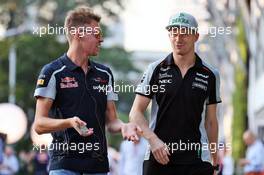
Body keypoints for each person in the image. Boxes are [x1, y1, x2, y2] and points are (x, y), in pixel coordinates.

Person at [33, 6, 141, 175]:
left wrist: (123, 127)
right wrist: (69, 122)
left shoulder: (105, 74)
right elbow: (39, 124)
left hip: (98, 167)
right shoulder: (52, 72)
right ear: (79, 34)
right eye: (96, 34)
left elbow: (112, 121)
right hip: (64, 166)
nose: (101, 40)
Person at [129, 12, 222, 175]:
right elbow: (135, 113)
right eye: (173, 33)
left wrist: (214, 158)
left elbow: (211, 121)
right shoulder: (155, 69)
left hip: (196, 160)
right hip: (159, 157)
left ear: (196, 36)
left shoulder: (210, 74)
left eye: (184, 34)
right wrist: (153, 140)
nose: (178, 39)